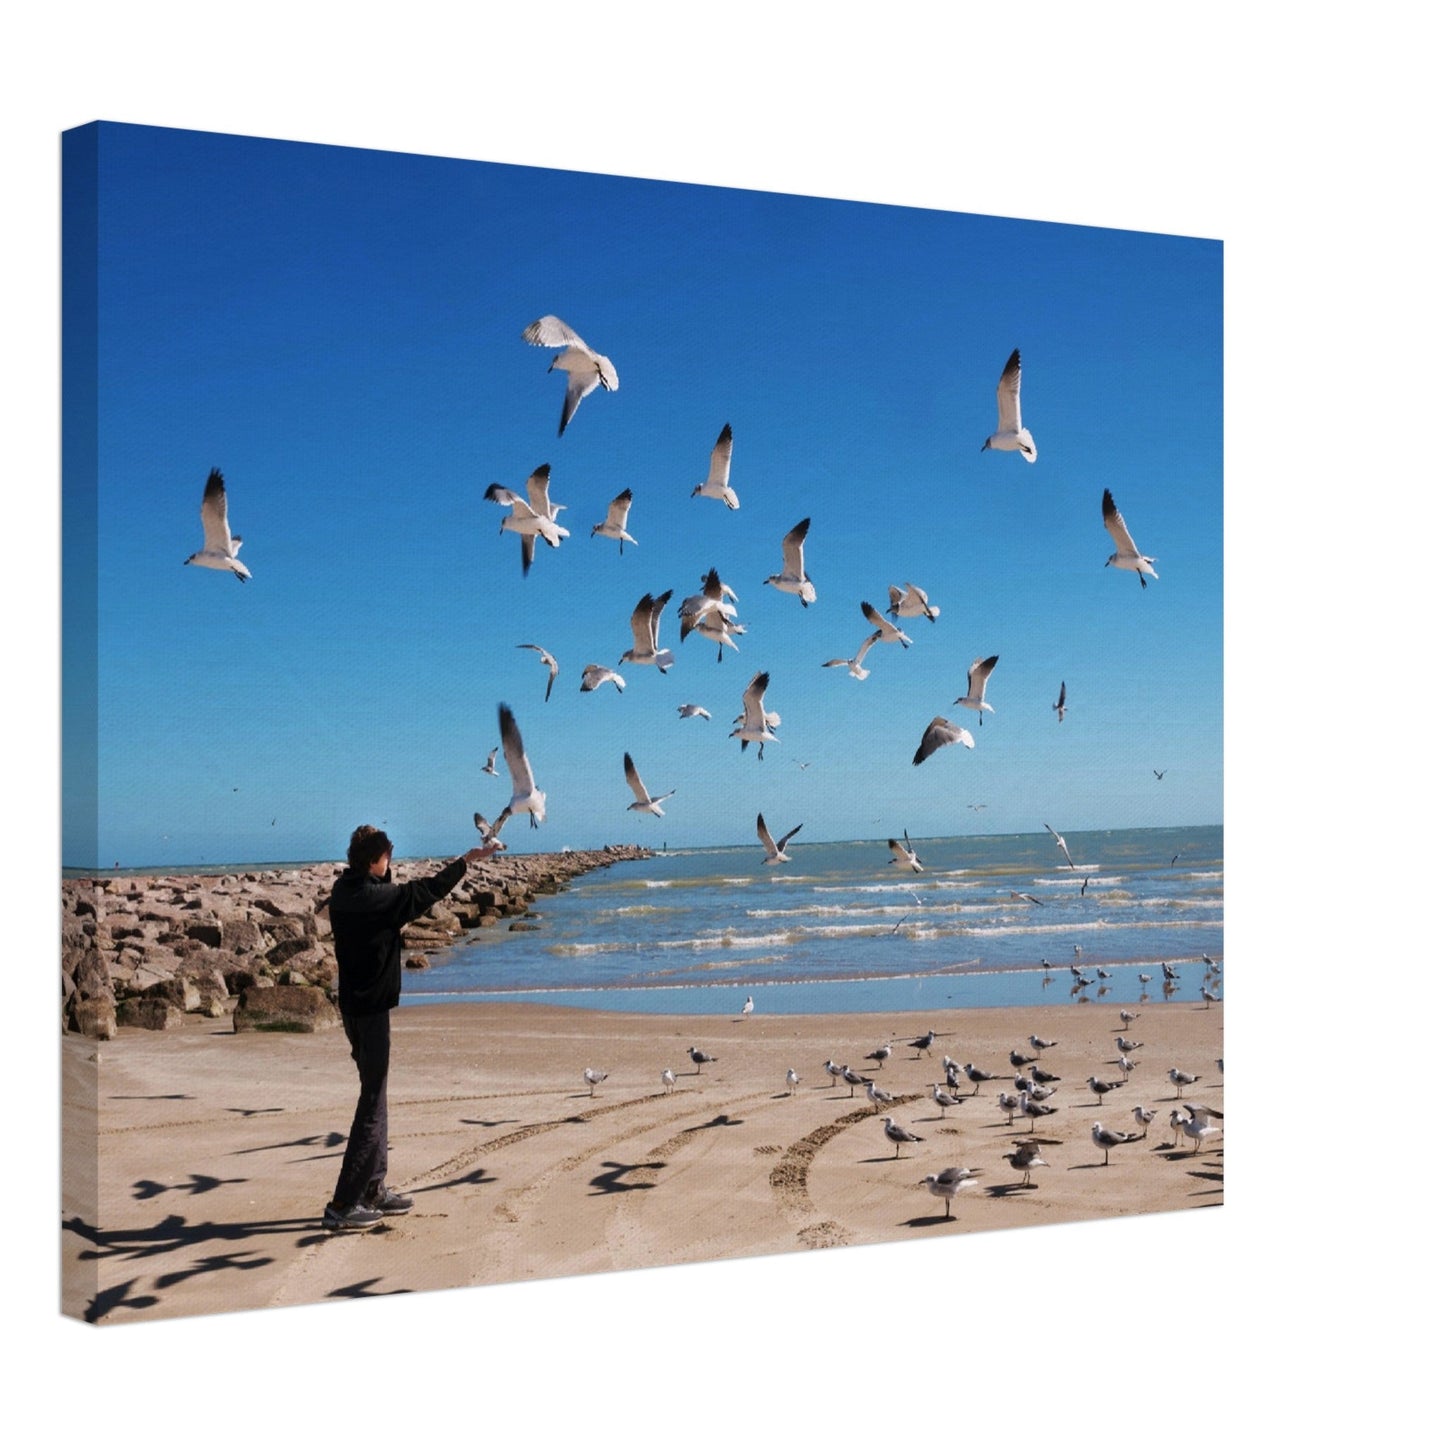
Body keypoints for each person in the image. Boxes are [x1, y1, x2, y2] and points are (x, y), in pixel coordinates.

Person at [323, 825, 497, 1231]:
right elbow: (423, 893)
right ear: (373, 860)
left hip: (354, 1007)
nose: (391, 862)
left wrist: (385, 868)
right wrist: (465, 863)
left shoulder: (344, 890)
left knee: (376, 1094)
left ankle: (372, 1189)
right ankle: (343, 1204)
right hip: (369, 1012)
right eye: (387, 856)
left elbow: (398, 894)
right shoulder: (374, 898)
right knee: (371, 1101)